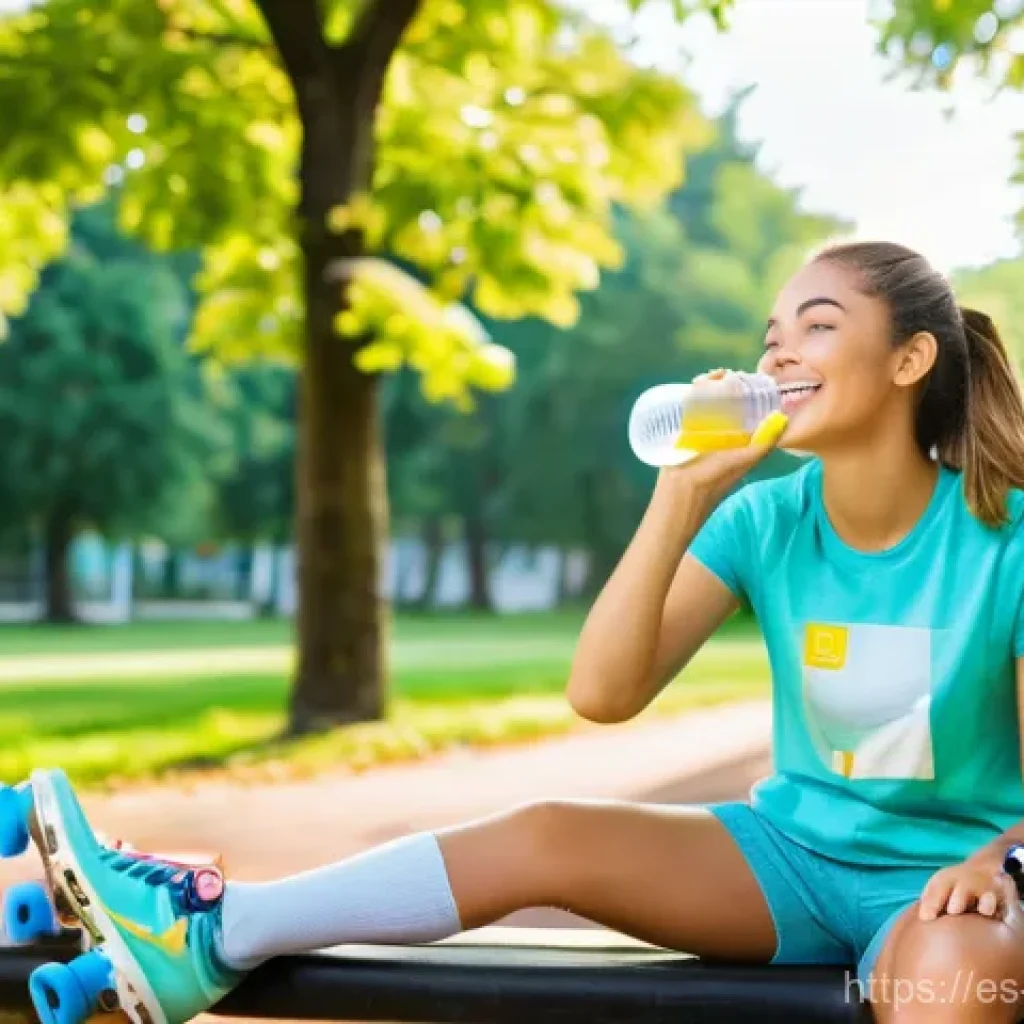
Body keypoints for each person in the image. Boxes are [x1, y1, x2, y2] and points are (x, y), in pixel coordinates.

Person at [25, 241, 1024, 1024]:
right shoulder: (761, 518)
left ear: (910, 357)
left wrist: (998, 864)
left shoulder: (1003, 536)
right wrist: (677, 501)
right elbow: (603, 692)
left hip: (952, 880)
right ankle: (206, 931)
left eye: (815, 325)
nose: (777, 356)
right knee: (546, 828)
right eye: (771, 335)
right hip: (787, 860)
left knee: (954, 969)